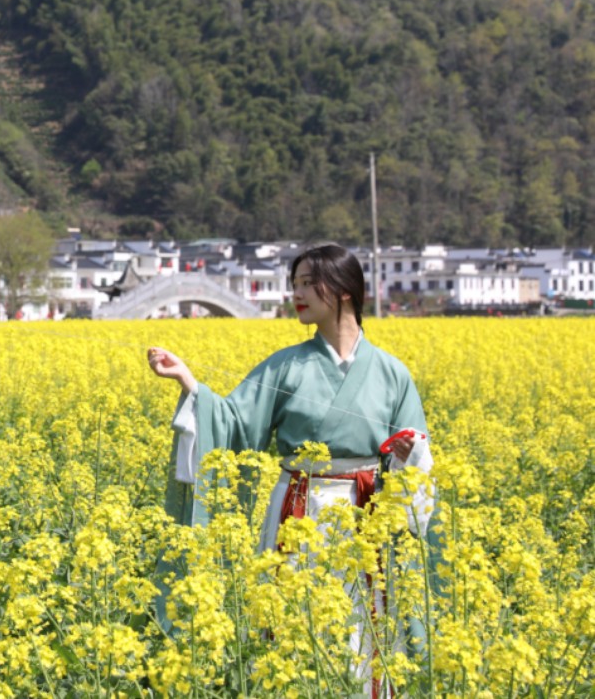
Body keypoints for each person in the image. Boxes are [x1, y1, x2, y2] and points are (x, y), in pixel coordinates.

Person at [146, 244, 436, 685]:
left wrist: (407, 455)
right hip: (298, 508)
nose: (296, 294)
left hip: (365, 515)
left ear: (342, 291)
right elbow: (235, 426)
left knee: (362, 620)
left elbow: (417, 454)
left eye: (307, 283)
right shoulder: (286, 366)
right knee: (292, 620)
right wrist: (190, 384)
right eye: (294, 283)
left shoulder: (392, 372)